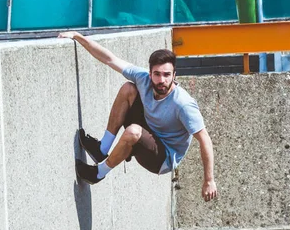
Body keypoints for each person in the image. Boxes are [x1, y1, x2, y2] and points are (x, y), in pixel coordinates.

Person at [58, 31, 217, 201]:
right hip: (148, 129)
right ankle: (102, 148)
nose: (161, 80)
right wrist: (77, 36)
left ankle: (98, 173)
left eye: (166, 75)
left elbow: (204, 139)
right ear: (150, 74)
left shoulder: (183, 104)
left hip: (162, 157)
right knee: (128, 88)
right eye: (157, 74)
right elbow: (109, 59)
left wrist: (209, 180)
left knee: (133, 131)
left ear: (174, 75)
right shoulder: (143, 79)